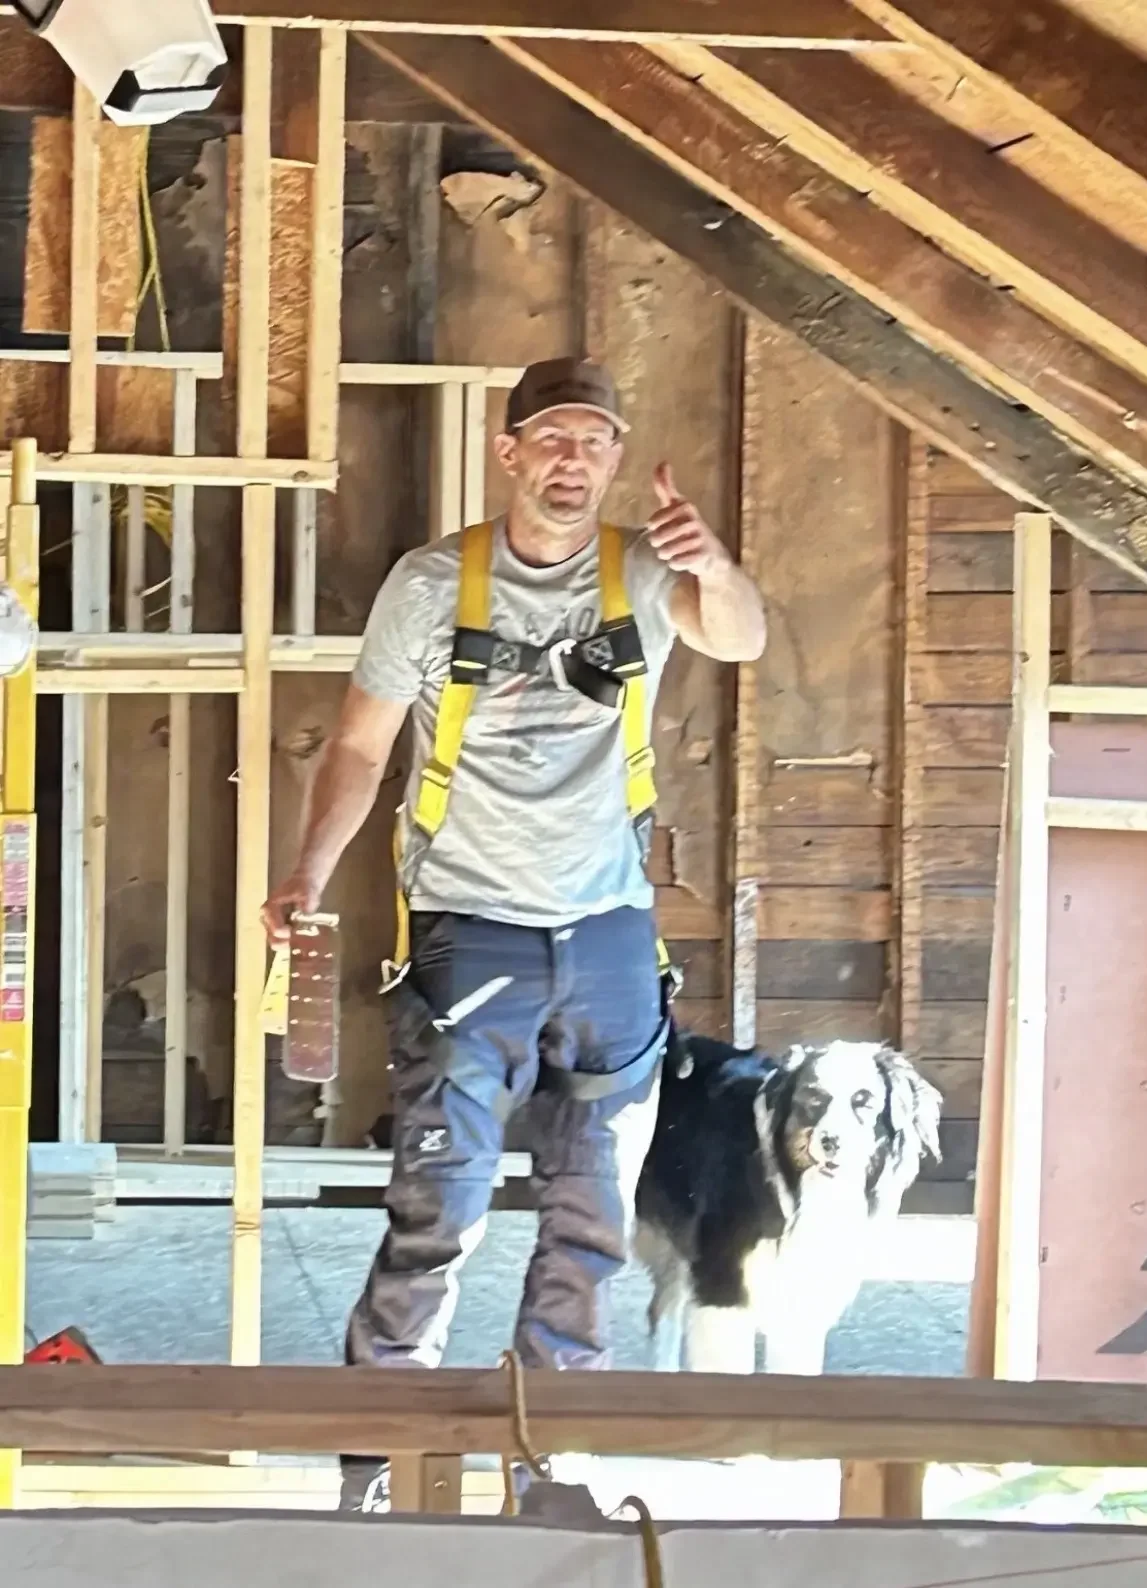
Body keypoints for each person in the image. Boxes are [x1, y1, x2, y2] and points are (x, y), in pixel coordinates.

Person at [261, 358, 766, 1382]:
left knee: (594, 1221)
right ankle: (384, 1456)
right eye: (551, 439)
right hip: (469, 929)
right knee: (437, 1209)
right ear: (509, 454)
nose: (572, 460)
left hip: (612, 936)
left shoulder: (648, 572)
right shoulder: (435, 584)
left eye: (593, 441)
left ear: (615, 458)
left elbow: (742, 636)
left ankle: (550, 1449)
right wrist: (307, 868)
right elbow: (359, 749)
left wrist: (713, 565)